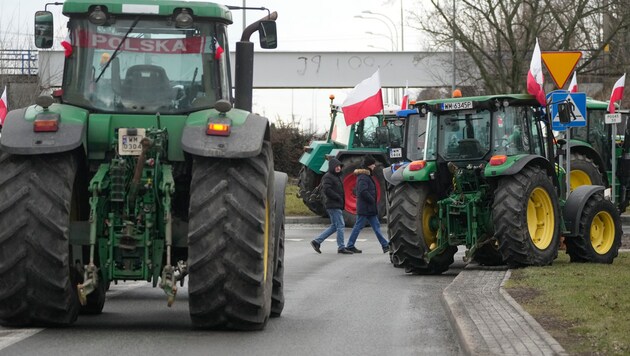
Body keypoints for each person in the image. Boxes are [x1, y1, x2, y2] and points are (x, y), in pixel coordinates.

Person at [345, 155, 390, 253]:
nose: (374, 166)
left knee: (376, 227)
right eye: (373, 164)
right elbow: (362, 191)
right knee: (359, 226)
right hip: (365, 208)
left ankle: (385, 245)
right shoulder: (363, 177)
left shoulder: (366, 176)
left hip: (369, 208)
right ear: (369, 165)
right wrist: (372, 200)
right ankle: (350, 245)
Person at [310, 158, 354, 254]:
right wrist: (337, 197)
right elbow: (327, 189)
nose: (338, 168)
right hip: (333, 204)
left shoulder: (336, 176)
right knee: (341, 225)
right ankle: (341, 247)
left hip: (336, 204)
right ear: (332, 167)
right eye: (336, 166)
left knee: (334, 226)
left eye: (339, 166)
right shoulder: (328, 177)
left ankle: (316, 241)